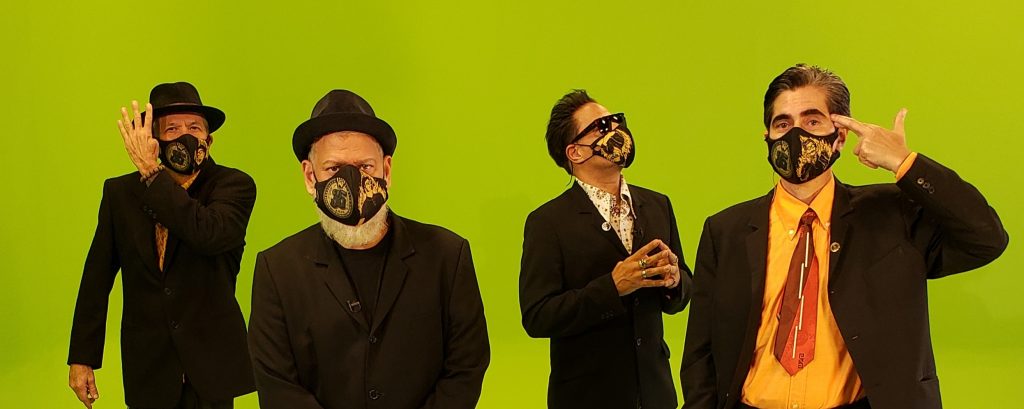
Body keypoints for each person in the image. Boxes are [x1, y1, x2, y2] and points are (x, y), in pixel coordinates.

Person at [680, 64, 1009, 409]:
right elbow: (701, 353)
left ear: (839, 136)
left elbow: (985, 237)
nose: (796, 134)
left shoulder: (891, 215)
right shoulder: (725, 230)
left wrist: (903, 162)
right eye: (783, 124)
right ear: (768, 138)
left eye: (812, 121)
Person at [248, 89, 490, 409]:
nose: (351, 181)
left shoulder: (447, 256)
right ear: (309, 176)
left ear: (386, 171)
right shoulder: (278, 269)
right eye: (334, 169)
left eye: (364, 167)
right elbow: (277, 385)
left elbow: (466, 366)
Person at [68, 82, 257, 408]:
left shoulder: (233, 186)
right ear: (153, 140)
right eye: (172, 129)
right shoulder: (119, 194)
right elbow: (96, 278)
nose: (185, 135)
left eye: (194, 128)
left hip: (210, 369)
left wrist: (150, 173)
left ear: (209, 139)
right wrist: (82, 358)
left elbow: (207, 233)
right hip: (149, 369)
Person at [519, 89, 692, 409]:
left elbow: (684, 289)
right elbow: (537, 316)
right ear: (575, 152)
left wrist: (675, 280)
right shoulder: (548, 222)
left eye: (616, 122)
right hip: (586, 397)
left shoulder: (658, 205)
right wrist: (612, 288)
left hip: (655, 394)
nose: (616, 131)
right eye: (601, 127)